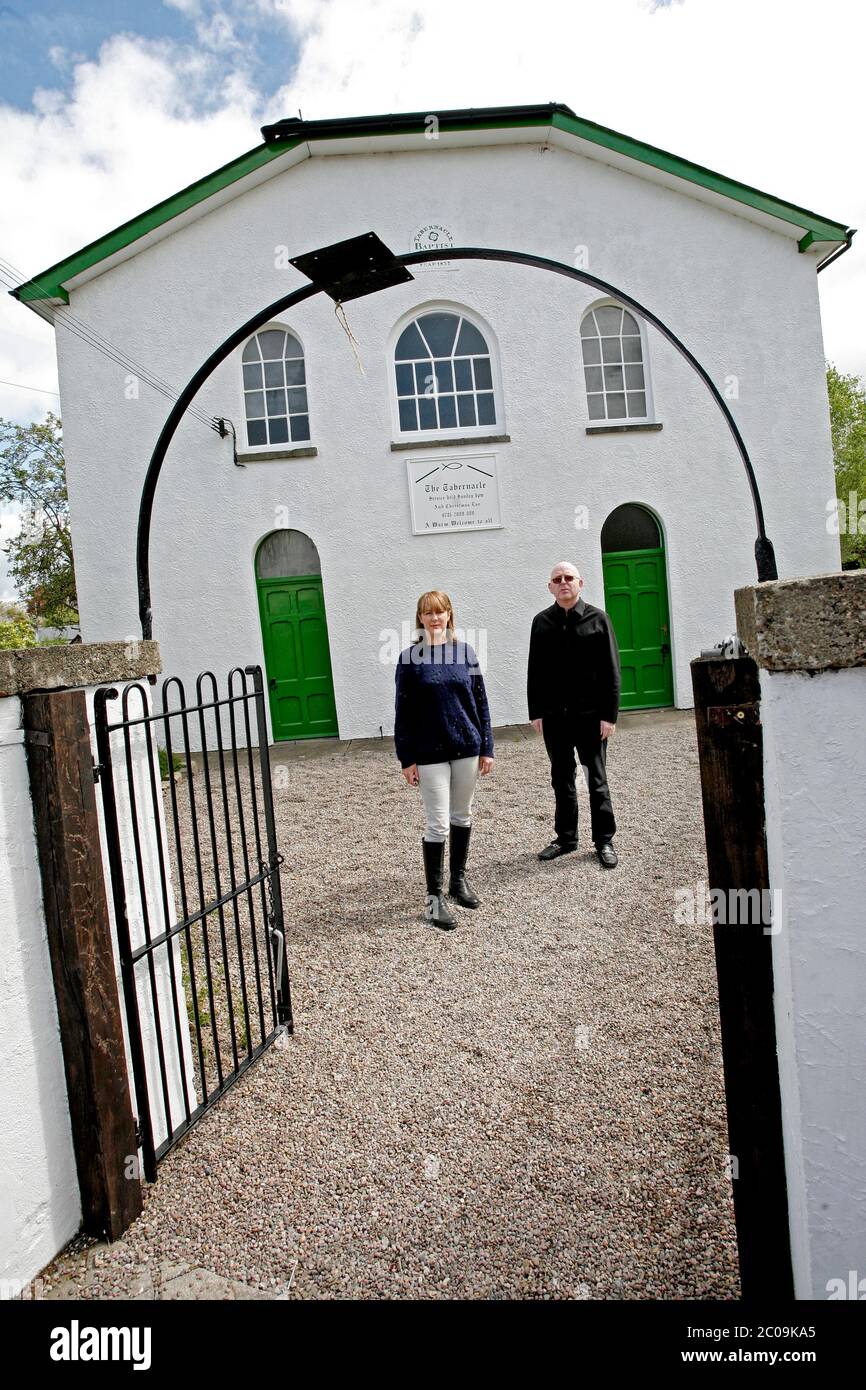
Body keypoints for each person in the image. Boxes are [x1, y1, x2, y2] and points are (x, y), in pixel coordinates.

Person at [394, 590, 494, 929]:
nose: (435, 618)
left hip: (466, 746)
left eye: (440, 612)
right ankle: (434, 898)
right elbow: (403, 711)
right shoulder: (410, 659)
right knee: (436, 822)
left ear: (449, 615)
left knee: (462, 815)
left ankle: (458, 880)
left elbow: (481, 702)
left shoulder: (464, 652)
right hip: (428, 752)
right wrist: (406, 758)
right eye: (428, 613)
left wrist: (487, 747)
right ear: (420, 618)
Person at [527, 561, 620, 868]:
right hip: (555, 718)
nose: (563, 582)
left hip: (591, 718)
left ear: (581, 583)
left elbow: (611, 671)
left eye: (569, 578)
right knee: (562, 778)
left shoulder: (599, 620)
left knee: (596, 779)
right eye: (557, 579)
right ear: (550, 587)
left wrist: (610, 716)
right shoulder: (541, 623)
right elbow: (536, 671)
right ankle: (566, 838)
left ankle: (604, 840)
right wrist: (536, 712)